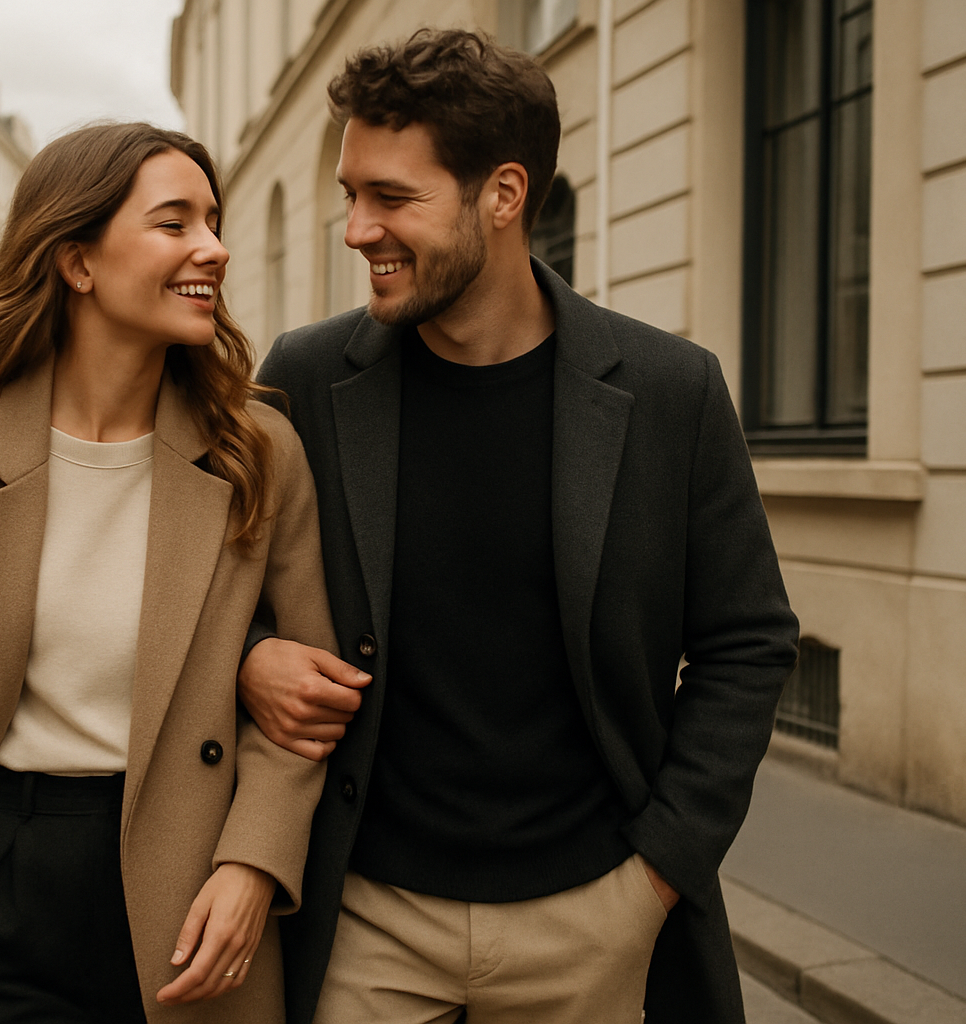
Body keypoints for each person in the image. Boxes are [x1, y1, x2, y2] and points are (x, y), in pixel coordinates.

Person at [237, 29, 801, 1024]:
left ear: (502, 195)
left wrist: (654, 880)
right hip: (368, 920)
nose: (356, 229)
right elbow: (216, 591)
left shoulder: (673, 390)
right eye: (349, 194)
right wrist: (252, 662)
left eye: (391, 198)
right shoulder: (306, 378)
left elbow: (747, 641)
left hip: (591, 921)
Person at [0, 121, 337, 1024]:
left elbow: (306, 704)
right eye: (175, 223)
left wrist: (253, 863)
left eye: (213, 219)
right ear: (76, 261)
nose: (215, 247)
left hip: (189, 880)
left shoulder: (257, 453)